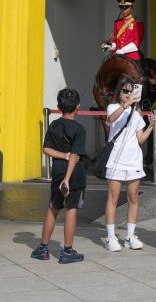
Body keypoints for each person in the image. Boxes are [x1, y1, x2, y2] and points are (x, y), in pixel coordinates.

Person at [31, 88, 86, 264]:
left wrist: (62, 156)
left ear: (58, 106)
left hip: (57, 171)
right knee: (71, 209)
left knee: (53, 207)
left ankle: (42, 248)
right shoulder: (79, 129)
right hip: (73, 175)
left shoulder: (54, 125)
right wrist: (67, 179)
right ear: (78, 107)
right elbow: (75, 156)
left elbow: (45, 149)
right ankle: (67, 251)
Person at [104, 77, 156, 251]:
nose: (127, 94)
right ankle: (111, 237)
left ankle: (130, 235)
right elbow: (111, 119)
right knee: (113, 198)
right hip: (116, 161)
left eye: (130, 91)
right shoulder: (114, 107)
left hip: (134, 160)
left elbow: (140, 139)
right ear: (119, 92)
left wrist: (150, 127)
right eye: (124, 91)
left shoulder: (137, 113)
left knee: (133, 198)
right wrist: (125, 105)